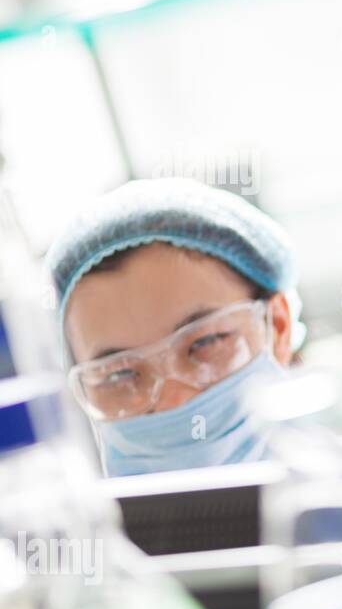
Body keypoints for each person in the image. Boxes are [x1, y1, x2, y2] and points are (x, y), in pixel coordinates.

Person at [45, 178, 303, 477]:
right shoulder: (64, 522)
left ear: (278, 327)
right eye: (119, 374)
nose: (174, 402)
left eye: (205, 343)